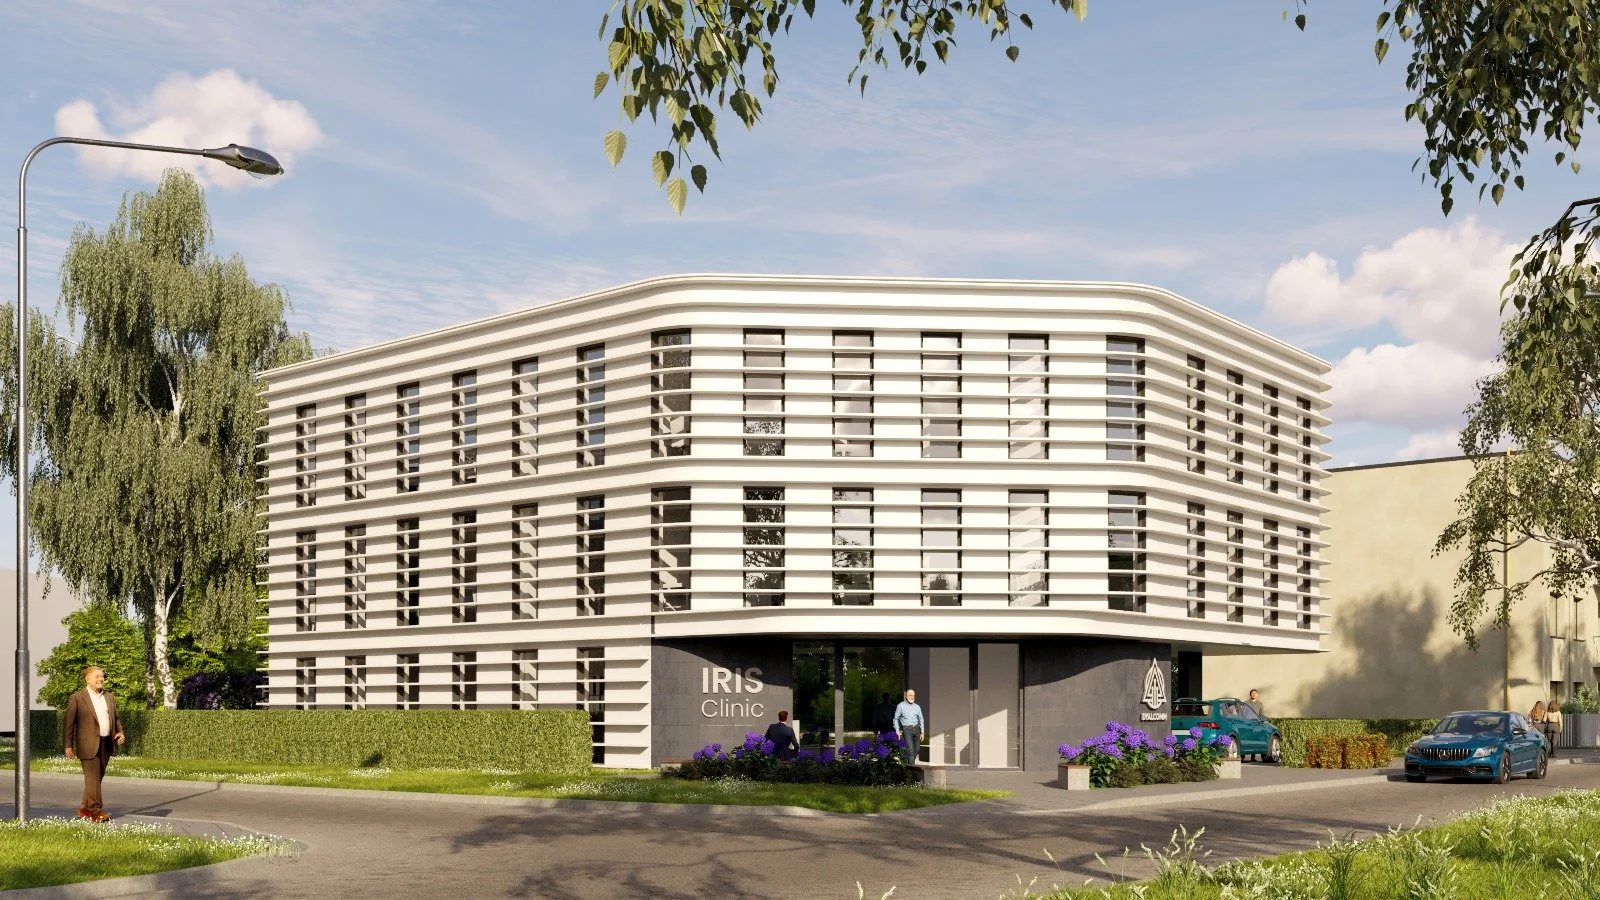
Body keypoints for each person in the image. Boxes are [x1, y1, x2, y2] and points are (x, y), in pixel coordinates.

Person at [63, 665, 125, 822]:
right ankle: (96, 811)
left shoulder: (109, 697)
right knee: (92, 779)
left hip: (106, 743)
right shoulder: (77, 698)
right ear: (87, 679)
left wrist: (120, 732)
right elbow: (69, 724)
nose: (101, 679)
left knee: (95, 780)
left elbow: (115, 718)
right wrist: (68, 745)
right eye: (97, 676)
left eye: (102, 676)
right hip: (87, 744)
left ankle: (85, 808)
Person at [893, 689, 926, 765]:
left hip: (917, 729)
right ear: (906, 696)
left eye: (913, 695)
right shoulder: (900, 706)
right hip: (907, 729)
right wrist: (897, 730)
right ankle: (912, 769)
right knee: (910, 750)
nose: (912, 697)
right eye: (910, 695)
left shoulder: (917, 707)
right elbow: (895, 719)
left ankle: (908, 764)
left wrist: (922, 732)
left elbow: (921, 719)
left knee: (917, 749)